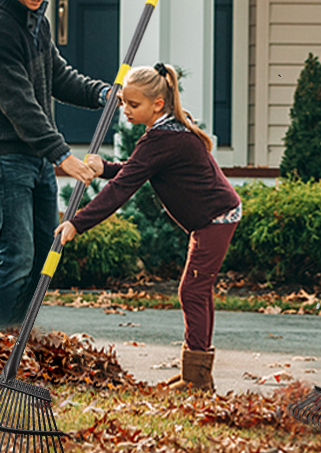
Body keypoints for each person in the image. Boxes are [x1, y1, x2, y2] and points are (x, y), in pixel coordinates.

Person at [54, 63, 241, 392]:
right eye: (124, 102)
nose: (125, 110)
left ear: (157, 104)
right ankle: (196, 373)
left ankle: (196, 379)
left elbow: (121, 190)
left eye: (133, 105)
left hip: (215, 218)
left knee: (192, 291)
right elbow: (136, 170)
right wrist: (106, 168)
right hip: (213, 217)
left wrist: (77, 223)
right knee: (198, 290)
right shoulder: (168, 130)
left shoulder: (162, 137)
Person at [0, 0, 112, 332]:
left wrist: (101, 93)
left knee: (43, 255)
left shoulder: (36, 21)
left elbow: (57, 76)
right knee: (16, 257)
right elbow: (20, 104)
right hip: (4, 155)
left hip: (35, 156)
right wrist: (63, 155)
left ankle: (17, 344)